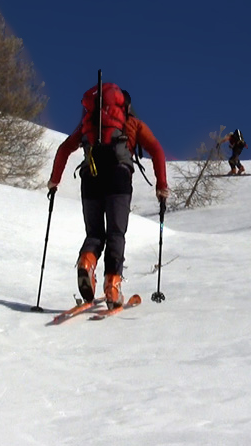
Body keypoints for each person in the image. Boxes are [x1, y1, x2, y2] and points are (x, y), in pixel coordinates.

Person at [47, 88, 168, 308]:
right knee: (116, 232)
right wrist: (161, 186)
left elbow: (64, 149)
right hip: (118, 179)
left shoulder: (89, 124)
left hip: (90, 178)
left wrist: (54, 181)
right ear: (125, 107)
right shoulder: (133, 124)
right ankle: (112, 285)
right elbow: (157, 150)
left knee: (94, 233)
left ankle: (87, 261)